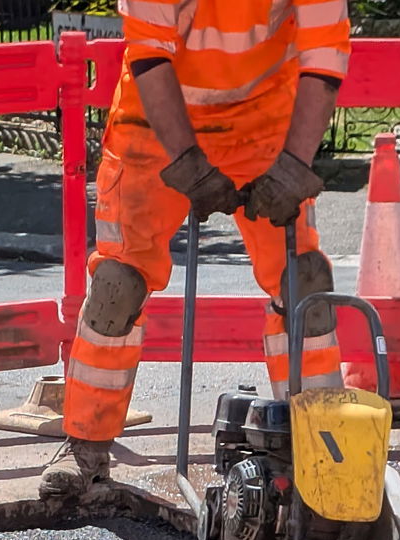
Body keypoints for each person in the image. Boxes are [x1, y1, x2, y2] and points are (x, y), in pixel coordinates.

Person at [39, 0, 352, 499]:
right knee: (118, 286)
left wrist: (295, 164)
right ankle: (86, 449)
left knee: (304, 282)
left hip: (264, 118)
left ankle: (327, 452)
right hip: (156, 118)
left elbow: (325, 54)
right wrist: (187, 161)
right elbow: (150, 55)